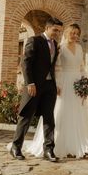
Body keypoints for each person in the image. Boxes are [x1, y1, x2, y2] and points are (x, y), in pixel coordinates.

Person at [25, 23, 88, 159]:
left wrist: (85, 83)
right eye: (72, 33)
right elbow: (57, 68)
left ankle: (78, 145)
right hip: (65, 83)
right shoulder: (60, 48)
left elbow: (82, 67)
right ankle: (57, 145)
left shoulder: (80, 48)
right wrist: (58, 85)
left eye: (77, 34)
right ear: (67, 33)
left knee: (77, 113)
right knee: (62, 112)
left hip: (78, 83)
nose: (75, 36)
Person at [9, 17, 63, 162]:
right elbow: (25, 62)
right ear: (47, 28)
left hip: (49, 86)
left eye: (59, 31)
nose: (57, 33)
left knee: (49, 119)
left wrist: (55, 84)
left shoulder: (55, 44)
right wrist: (30, 83)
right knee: (26, 117)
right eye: (55, 30)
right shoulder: (34, 40)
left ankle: (49, 150)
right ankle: (16, 147)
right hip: (34, 86)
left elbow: (52, 66)